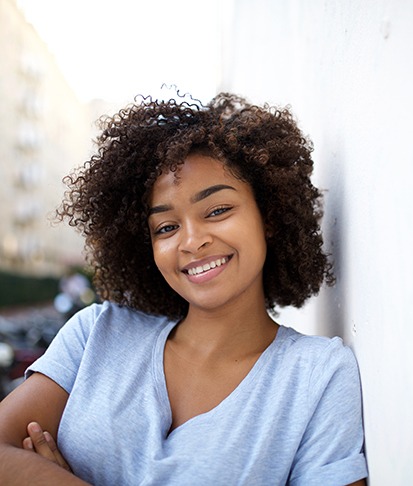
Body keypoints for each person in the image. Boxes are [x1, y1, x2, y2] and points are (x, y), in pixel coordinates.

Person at [0, 92, 368, 485]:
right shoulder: (95, 334)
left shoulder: (318, 376)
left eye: (217, 210)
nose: (191, 241)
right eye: (166, 227)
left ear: (269, 217)